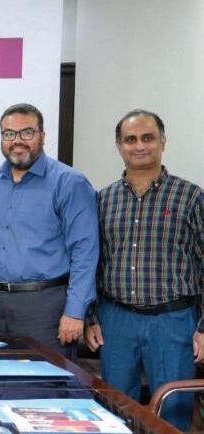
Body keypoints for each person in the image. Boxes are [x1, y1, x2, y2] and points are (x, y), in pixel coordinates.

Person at [85, 109, 204, 430]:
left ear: (163, 142)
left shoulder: (191, 197)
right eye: (131, 139)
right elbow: (93, 263)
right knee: (114, 409)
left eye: (148, 138)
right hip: (116, 321)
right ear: (119, 146)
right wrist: (91, 317)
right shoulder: (103, 200)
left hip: (172, 322)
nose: (139, 146)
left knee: (172, 411)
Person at [0, 103, 98, 358]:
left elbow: (85, 251)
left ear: (42, 136)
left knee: (46, 380)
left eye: (27, 132)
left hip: (44, 309)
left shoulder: (69, 182)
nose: (17, 141)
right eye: (9, 134)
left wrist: (75, 311)